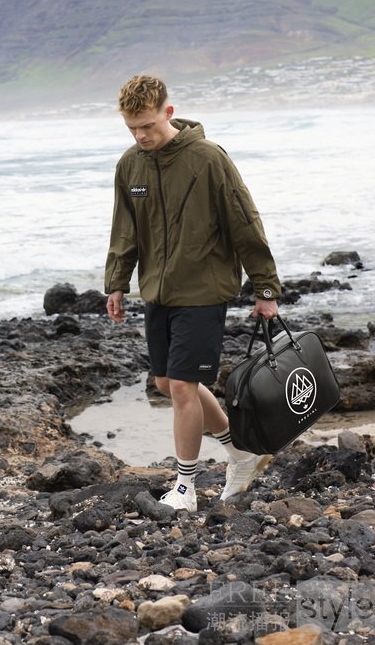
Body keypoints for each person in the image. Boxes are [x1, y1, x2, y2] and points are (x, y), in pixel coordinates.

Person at [105, 75, 281, 512]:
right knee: (166, 383)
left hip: (204, 289)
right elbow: (125, 229)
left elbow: (245, 222)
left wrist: (265, 288)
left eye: (147, 125)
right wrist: (117, 283)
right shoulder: (130, 165)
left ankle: (185, 488)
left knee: (184, 386)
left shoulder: (208, 158)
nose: (141, 136)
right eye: (132, 128)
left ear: (168, 112)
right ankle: (242, 452)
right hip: (157, 291)